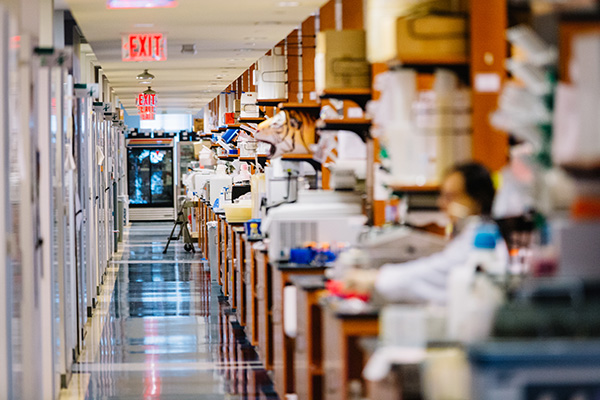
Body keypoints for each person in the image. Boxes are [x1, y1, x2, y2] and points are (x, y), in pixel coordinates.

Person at [345, 161, 506, 304]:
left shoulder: (482, 238)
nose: (442, 204)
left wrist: (377, 278)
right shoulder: (471, 232)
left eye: (451, 197)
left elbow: (438, 272)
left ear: (477, 200)